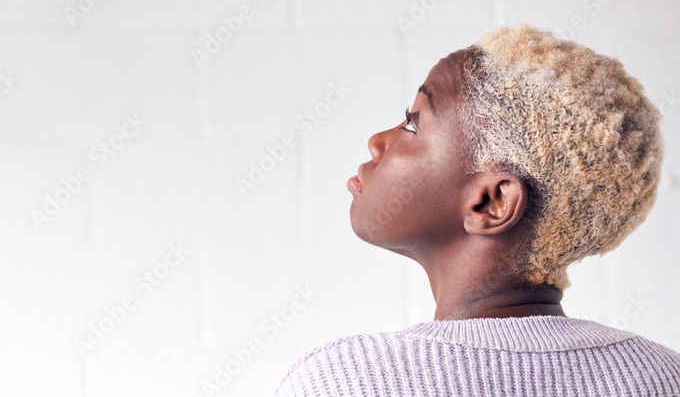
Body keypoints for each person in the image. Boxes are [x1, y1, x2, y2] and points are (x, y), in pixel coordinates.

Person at [273, 25, 680, 396]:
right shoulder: (665, 375)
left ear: (491, 202)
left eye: (412, 124)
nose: (377, 142)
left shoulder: (343, 379)